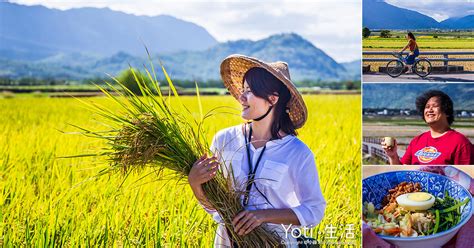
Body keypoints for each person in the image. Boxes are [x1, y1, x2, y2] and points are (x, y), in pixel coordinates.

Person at [188, 54, 326, 247]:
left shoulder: (297, 153)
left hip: (277, 243)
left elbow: (314, 210)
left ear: (272, 99)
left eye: (250, 91)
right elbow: (215, 207)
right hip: (227, 242)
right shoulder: (224, 140)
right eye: (242, 90)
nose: (241, 97)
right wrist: (195, 184)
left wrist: (262, 216)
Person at [382, 90, 473, 165]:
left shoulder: (461, 143)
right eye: (427, 107)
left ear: (447, 111)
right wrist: (393, 156)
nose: (429, 110)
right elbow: (402, 172)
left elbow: (467, 178)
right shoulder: (417, 141)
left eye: (434, 106)